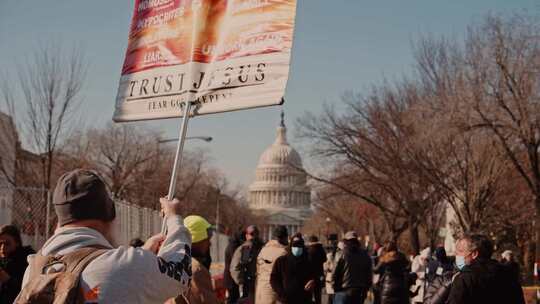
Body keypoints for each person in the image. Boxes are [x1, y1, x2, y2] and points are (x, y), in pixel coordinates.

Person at [17, 169, 191, 303]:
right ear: (110, 215)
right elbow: (180, 272)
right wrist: (174, 218)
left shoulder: (32, 270)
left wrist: (142, 255)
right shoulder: (128, 266)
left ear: (59, 220)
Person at [447, 234, 525, 304]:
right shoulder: (509, 275)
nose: (456, 255)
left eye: (460, 251)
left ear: (474, 254)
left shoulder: (464, 279)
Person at [173, 215, 220, 304]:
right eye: (206, 239)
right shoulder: (195, 270)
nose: (209, 244)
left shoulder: (174, 261)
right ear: (197, 241)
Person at [270, 233, 316, 303]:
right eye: (295, 245)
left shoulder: (308, 262)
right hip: (285, 300)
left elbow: (315, 276)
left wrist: (313, 281)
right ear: (291, 245)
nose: (297, 247)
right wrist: (282, 293)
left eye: (299, 245)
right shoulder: (281, 261)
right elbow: (273, 279)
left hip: (304, 300)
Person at [332, 231, 373, 304]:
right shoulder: (365, 255)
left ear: (345, 241)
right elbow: (369, 274)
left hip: (343, 291)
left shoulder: (340, 254)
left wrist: (335, 288)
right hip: (359, 291)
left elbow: (334, 273)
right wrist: (366, 289)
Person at [0, 225, 35, 303]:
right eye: (0, 244)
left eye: (7, 244)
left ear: (17, 243)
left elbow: (29, 290)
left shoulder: (26, 260)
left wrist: (8, 280)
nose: (2, 248)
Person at [255, 225, 289, 304]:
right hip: (275, 291)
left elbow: (258, 270)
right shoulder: (283, 253)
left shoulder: (263, 250)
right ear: (284, 237)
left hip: (261, 289)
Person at [230, 225, 263, 303]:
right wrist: (241, 281)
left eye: (255, 234)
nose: (254, 236)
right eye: (252, 234)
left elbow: (237, 267)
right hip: (252, 283)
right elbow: (238, 267)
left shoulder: (253, 247)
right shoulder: (248, 248)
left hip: (254, 284)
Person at [224, 229, 245, 304]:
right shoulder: (233, 246)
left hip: (231, 276)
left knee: (234, 297)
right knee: (232, 298)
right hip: (230, 277)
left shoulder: (233, 244)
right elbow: (235, 262)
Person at [307, 235, 327, 304]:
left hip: (311, 276)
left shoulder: (309, 251)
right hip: (319, 275)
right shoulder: (321, 249)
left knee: (309, 295)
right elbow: (325, 259)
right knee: (318, 295)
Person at [324, 234, 340, 304]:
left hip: (331, 277)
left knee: (331, 299)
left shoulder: (329, 254)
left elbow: (325, 267)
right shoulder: (341, 252)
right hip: (338, 278)